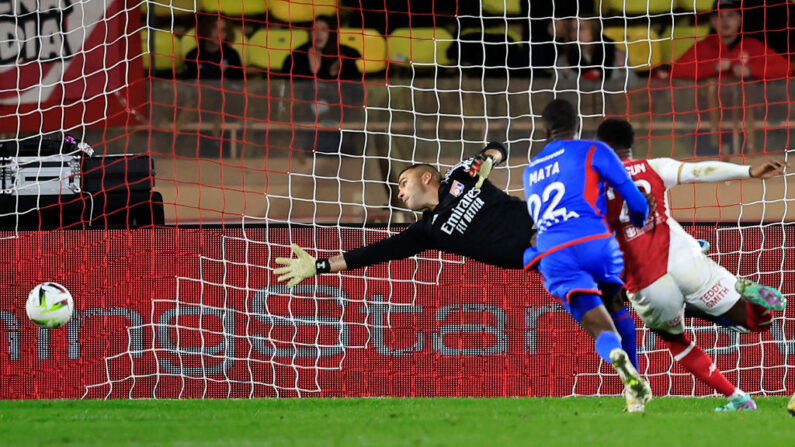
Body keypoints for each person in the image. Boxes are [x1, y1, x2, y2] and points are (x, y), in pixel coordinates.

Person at [596, 117, 788, 412]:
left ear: (601, 147)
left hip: (646, 279)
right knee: (756, 323)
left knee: (677, 342)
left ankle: (737, 398)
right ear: (631, 145)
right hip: (685, 257)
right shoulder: (655, 167)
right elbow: (701, 170)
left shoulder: (594, 184)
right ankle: (756, 299)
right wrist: (749, 170)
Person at [522, 99, 652, 410]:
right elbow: (635, 198)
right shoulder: (594, 149)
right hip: (596, 242)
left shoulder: (529, 172)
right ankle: (634, 392)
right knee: (616, 303)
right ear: (577, 125)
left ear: (544, 129)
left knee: (599, 326)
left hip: (554, 252)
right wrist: (638, 217)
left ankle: (618, 362)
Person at [274, 141, 535, 280]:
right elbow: (373, 253)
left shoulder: (460, 177)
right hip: (543, 259)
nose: (399, 193)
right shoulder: (427, 232)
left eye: (403, 183)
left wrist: (486, 159)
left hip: (552, 222)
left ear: (426, 178)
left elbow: (498, 148)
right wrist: (320, 265)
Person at [669, 0, 791, 81]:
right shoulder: (702, 47)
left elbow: (786, 68)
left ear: (739, 20)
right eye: (719, 16)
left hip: (748, 112)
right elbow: (675, 71)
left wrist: (751, 70)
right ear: (712, 22)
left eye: (730, 15)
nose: (725, 21)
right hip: (709, 113)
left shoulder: (753, 46)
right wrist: (714, 67)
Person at [282, 15, 361, 81]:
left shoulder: (346, 54)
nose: (318, 34)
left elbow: (355, 92)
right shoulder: (296, 56)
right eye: (314, 29)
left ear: (331, 33)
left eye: (324, 30)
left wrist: (336, 72)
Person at [183, 16, 244, 80]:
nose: (219, 34)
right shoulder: (193, 55)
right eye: (215, 28)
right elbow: (188, 84)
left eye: (223, 30)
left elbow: (238, 84)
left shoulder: (232, 56)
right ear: (205, 29)